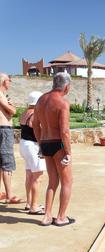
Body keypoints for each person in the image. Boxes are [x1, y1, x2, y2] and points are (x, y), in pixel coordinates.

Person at [33, 72, 74, 226]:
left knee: (52, 181)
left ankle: (47, 217)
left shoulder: (40, 100)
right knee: (67, 182)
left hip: (45, 143)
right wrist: (68, 153)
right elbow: (64, 131)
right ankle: (61, 217)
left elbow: (35, 125)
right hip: (58, 145)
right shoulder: (62, 103)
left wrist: (40, 144)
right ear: (67, 86)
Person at [19, 91, 46, 214]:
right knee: (38, 176)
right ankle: (34, 206)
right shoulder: (35, 114)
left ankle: (29, 203)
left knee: (30, 175)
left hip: (24, 145)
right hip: (32, 146)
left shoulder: (24, 113)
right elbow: (37, 128)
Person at [0, 73, 21, 204]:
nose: (10, 82)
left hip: (3, 129)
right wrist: (11, 106)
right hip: (4, 130)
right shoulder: (0, 95)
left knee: (1, 164)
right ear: (3, 81)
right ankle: (9, 195)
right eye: (9, 80)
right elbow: (13, 111)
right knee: (7, 163)